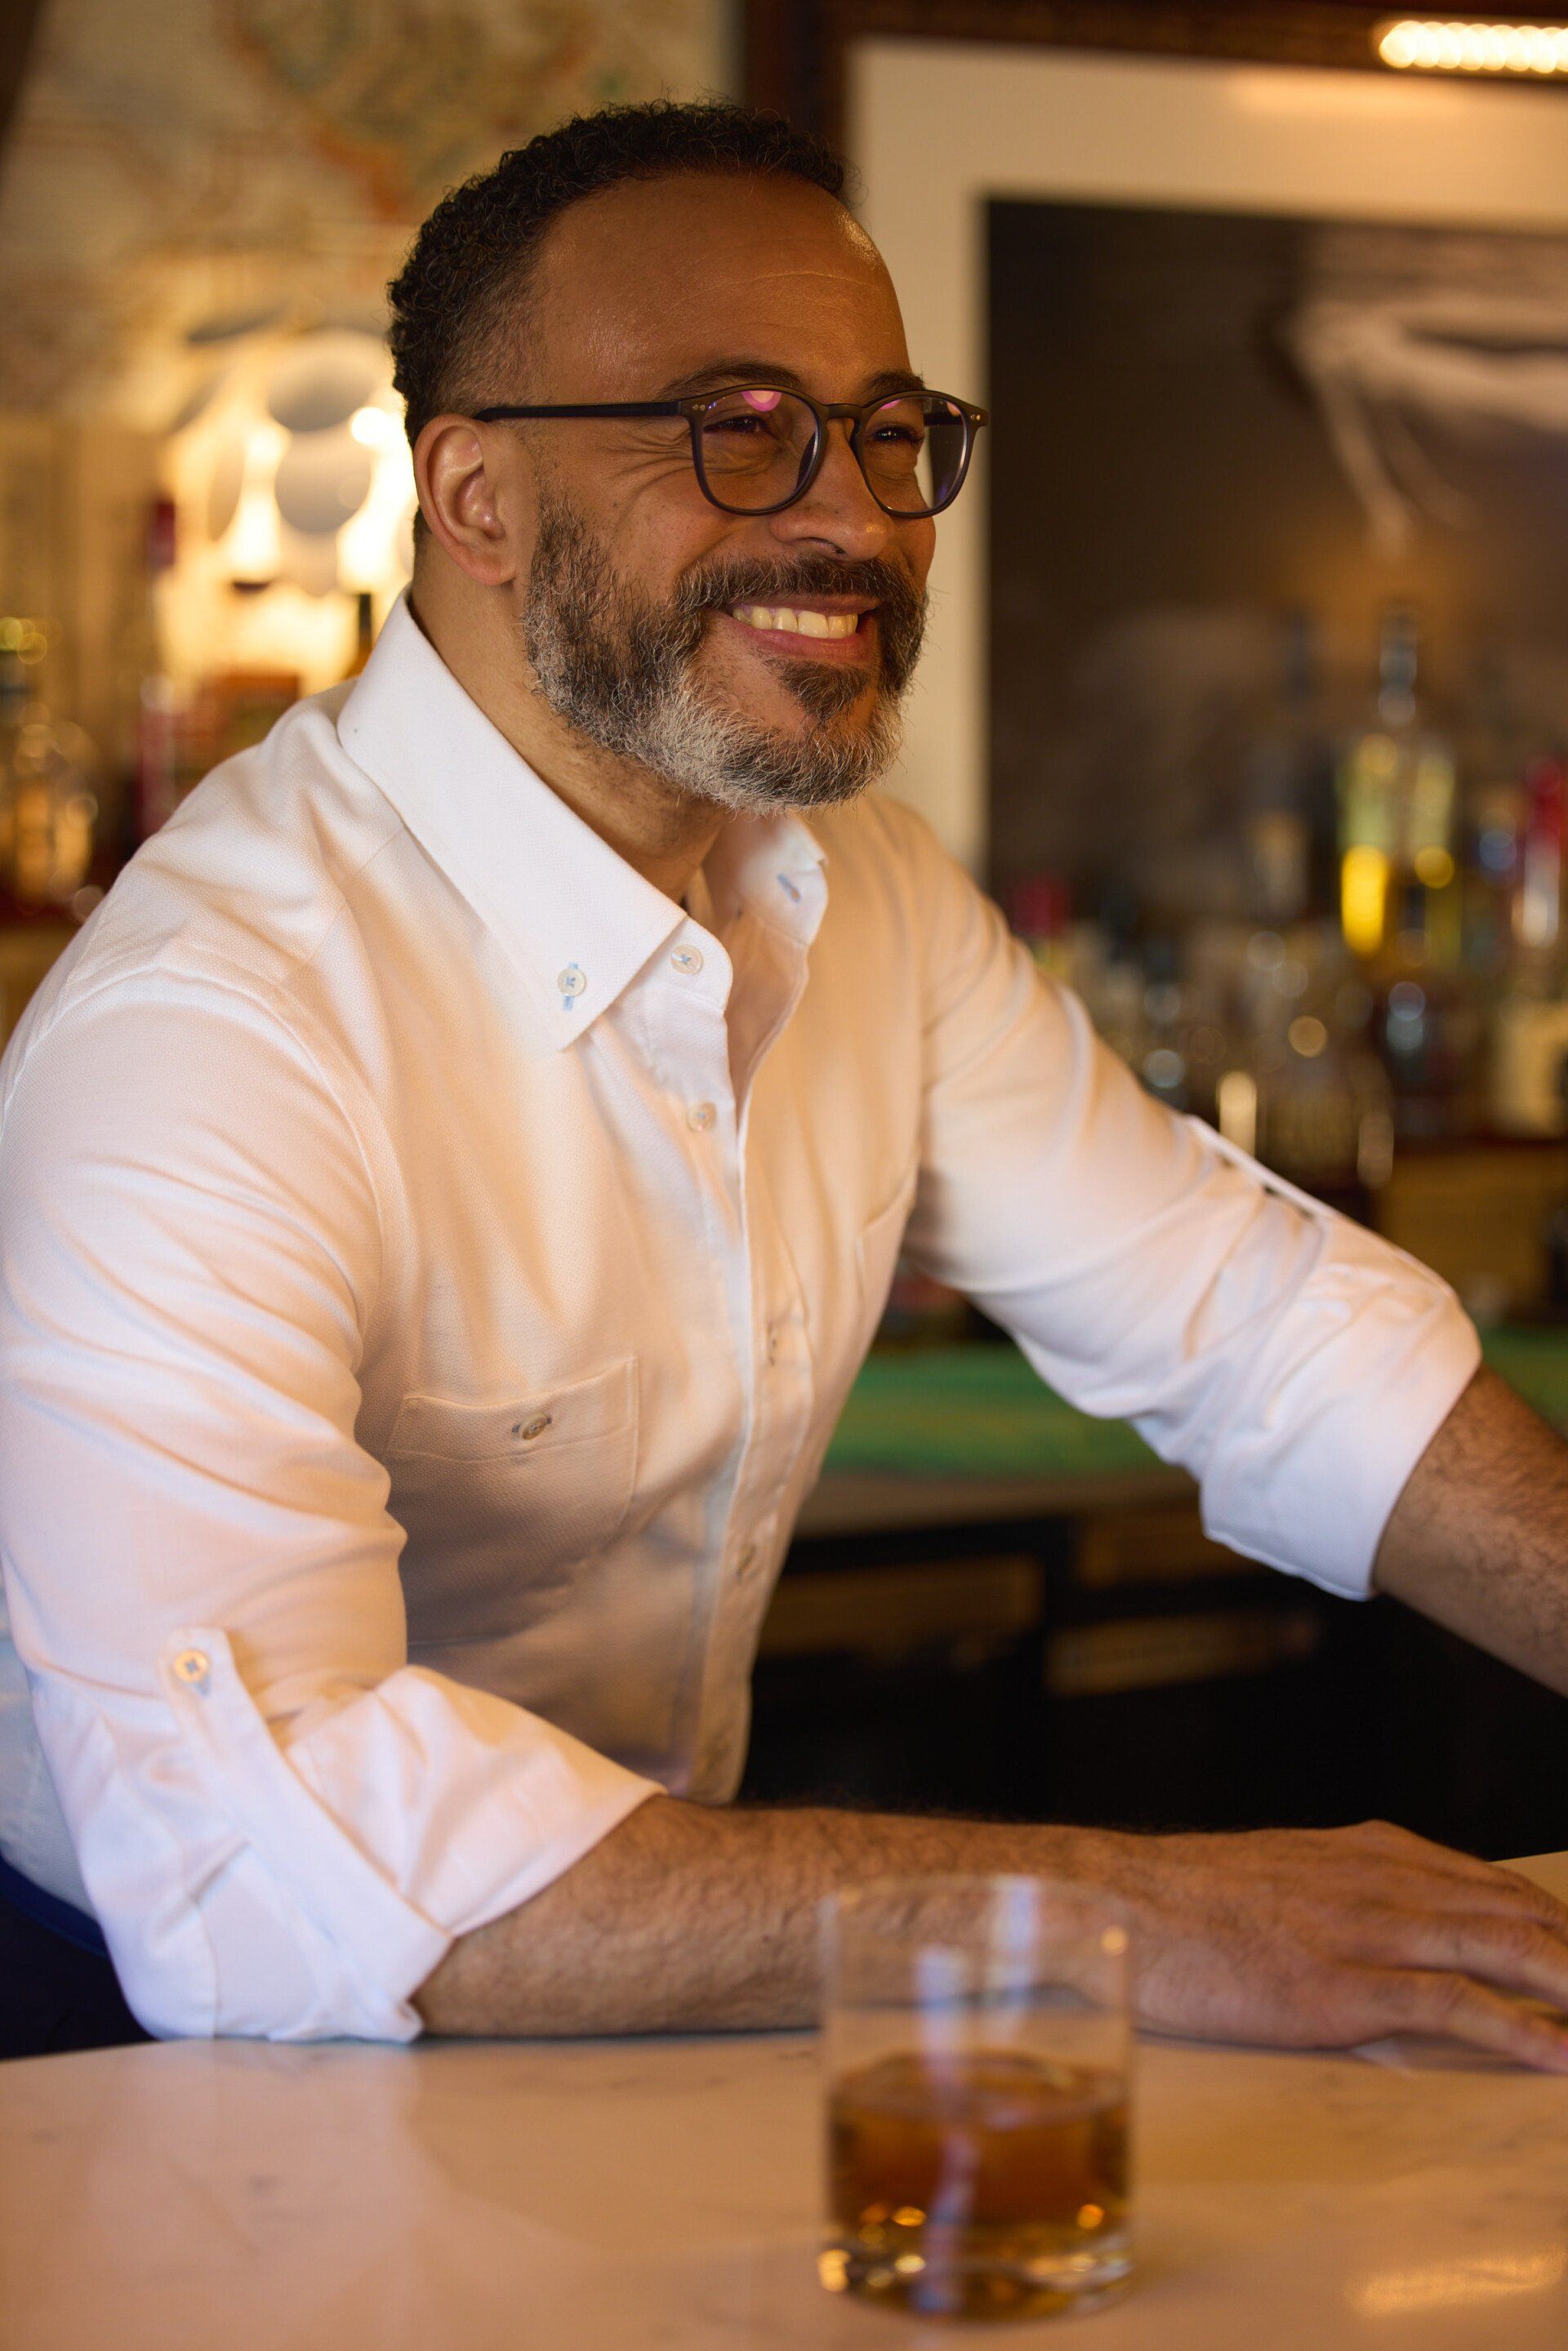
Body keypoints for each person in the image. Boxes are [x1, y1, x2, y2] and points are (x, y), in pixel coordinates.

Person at [3, 101, 1568, 2067]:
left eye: (888, 432)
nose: (857, 518)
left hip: (663, 1964)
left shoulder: (862, 894)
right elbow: (263, 1861)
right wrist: (1135, 1916)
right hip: (163, 2049)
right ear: (476, 498)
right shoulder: (212, 1030)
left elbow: (1253, 1325)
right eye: (737, 428)